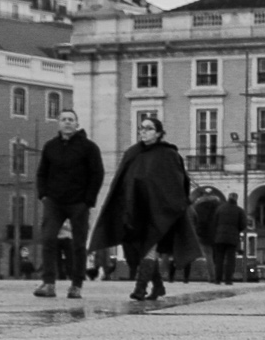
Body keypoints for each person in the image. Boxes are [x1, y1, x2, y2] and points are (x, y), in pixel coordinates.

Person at [89, 116, 201, 303]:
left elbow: (178, 182)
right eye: (141, 128)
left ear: (158, 133)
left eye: (149, 128)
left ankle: (140, 289)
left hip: (159, 212)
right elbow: (122, 181)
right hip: (135, 209)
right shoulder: (132, 153)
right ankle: (158, 286)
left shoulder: (169, 155)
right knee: (139, 249)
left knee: (149, 248)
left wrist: (172, 204)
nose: (143, 132)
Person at [33, 109, 104, 299]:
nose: (67, 123)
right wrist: (43, 195)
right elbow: (41, 173)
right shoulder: (50, 146)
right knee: (48, 239)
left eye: (71, 119)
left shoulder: (89, 147)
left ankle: (76, 285)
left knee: (79, 244)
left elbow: (97, 174)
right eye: (63, 119)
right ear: (58, 123)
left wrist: (88, 200)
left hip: (78, 202)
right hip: (54, 201)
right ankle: (48, 283)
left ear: (77, 123)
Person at [209, 194, 247, 284]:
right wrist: (236, 230)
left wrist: (217, 233)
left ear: (228, 198)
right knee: (230, 259)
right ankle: (228, 280)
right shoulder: (239, 210)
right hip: (232, 238)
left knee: (219, 259)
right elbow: (243, 225)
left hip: (219, 237)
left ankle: (218, 279)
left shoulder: (220, 209)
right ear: (236, 199)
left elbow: (214, 222)